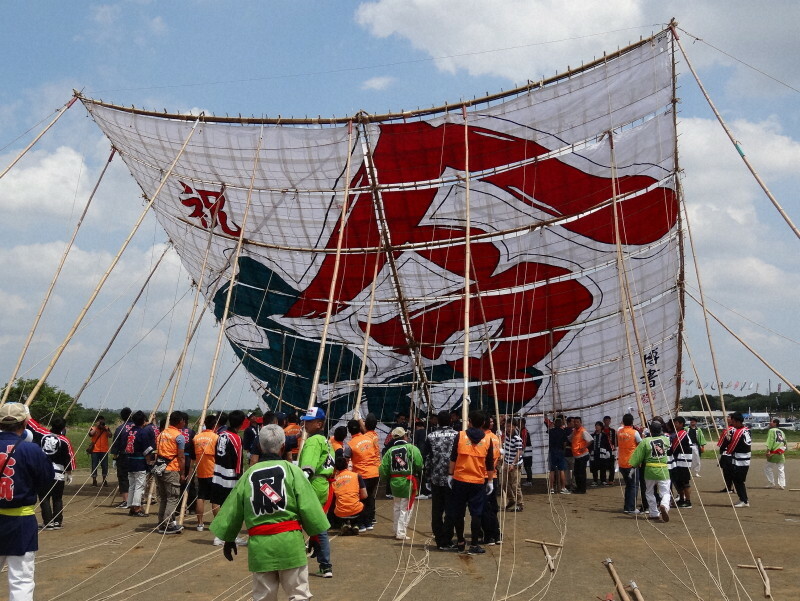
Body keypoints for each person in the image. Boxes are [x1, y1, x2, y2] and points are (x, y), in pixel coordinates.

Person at [210, 424, 330, 601]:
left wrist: (229, 538)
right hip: (291, 544)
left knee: (263, 597)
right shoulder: (293, 472)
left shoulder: (248, 475)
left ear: (258, 446)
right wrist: (316, 536)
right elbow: (309, 508)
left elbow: (233, 510)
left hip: (260, 547)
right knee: (299, 594)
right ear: (283, 447)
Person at [0, 402, 54, 601]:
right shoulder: (31, 450)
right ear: (25, 423)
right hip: (21, 522)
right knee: (21, 580)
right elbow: (46, 481)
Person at [442, 410, 495, 555]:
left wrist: (450, 475)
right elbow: (490, 464)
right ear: (483, 423)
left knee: (459, 512)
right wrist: (490, 481)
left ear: (470, 421)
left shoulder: (460, 436)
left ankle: (460, 542)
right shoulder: (487, 440)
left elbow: (453, 457)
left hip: (460, 479)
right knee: (476, 514)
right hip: (478, 481)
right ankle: (474, 545)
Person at [297, 407, 334, 578]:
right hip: (324, 485)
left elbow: (307, 468)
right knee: (320, 525)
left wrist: (299, 483)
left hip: (312, 484)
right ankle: (325, 565)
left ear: (319, 424)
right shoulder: (327, 441)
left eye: (309, 421)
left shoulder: (313, 441)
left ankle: (295, 561)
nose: (305, 423)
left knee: (296, 522)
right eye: (305, 420)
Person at [423, 409, 458, 550]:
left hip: (436, 478)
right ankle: (448, 538)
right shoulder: (457, 435)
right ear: (451, 420)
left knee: (436, 511)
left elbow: (427, 458)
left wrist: (427, 477)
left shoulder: (431, 436)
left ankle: (440, 540)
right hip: (452, 478)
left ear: (438, 421)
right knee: (451, 511)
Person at [380, 427, 423, 540]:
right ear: (405, 436)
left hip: (394, 481)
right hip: (407, 481)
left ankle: (396, 530)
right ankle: (401, 532)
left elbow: (383, 469)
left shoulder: (389, 451)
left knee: (397, 507)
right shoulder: (411, 448)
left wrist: (385, 479)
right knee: (406, 507)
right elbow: (419, 463)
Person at [211, 410, 246, 544]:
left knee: (217, 501)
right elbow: (238, 460)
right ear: (242, 423)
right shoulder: (236, 438)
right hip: (229, 475)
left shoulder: (221, 435)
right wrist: (240, 476)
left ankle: (218, 535)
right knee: (232, 506)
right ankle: (229, 535)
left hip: (217, 471)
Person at [629, 420, 671, 523]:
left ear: (650, 431)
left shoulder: (645, 441)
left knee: (649, 492)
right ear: (661, 429)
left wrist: (633, 465)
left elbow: (637, 456)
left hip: (649, 469)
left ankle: (653, 513)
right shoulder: (665, 440)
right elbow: (668, 447)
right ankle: (664, 505)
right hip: (662, 469)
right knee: (665, 492)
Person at [343, 419, 380, 532]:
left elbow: (346, 460)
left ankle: (361, 524)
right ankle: (369, 522)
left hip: (362, 475)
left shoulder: (350, 444)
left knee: (360, 499)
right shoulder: (369, 439)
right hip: (374, 473)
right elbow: (375, 453)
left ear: (349, 431)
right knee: (369, 498)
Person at [154, 412, 187, 534]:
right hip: (172, 469)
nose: (184, 423)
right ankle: (168, 524)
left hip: (159, 468)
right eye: (183, 421)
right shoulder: (179, 436)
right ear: (180, 421)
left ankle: (161, 523)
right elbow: (181, 456)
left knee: (164, 498)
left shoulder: (162, 434)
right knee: (173, 497)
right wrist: (182, 473)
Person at [38, 418, 74, 530]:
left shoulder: (42, 436)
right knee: (57, 498)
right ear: (63, 428)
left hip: (44, 471)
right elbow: (68, 458)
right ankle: (57, 522)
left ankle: (48, 522)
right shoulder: (64, 440)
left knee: (45, 497)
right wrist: (69, 473)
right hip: (59, 472)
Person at [193, 414, 221, 531]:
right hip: (213, 471)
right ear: (214, 425)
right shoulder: (216, 437)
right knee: (215, 499)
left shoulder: (196, 438)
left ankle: (200, 523)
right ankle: (217, 523)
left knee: (201, 497)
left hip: (201, 471)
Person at [125, 411, 153, 518]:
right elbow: (147, 450)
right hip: (139, 461)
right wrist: (149, 461)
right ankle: (137, 508)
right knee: (139, 486)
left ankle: (132, 507)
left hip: (130, 460)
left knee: (132, 485)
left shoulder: (130, 431)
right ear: (143, 421)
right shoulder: (142, 432)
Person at [332, 455, 367, 535]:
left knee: (339, 503)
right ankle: (356, 524)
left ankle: (343, 524)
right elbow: (365, 495)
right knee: (361, 504)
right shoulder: (356, 476)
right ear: (347, 465)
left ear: (336, 468)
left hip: (340, 512)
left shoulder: (334, 479)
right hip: (356, 510)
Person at [616, 414, 641, 514]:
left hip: (622, 463)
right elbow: (641, 444)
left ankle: (627, 506)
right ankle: (630, 508)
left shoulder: (619, 432)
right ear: (632, 422)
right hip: (631, 463)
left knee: (629, 485)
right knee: (633, 486)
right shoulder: (634, 432)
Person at [726, 412, 751, 508]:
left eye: (733, 422)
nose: (732, 423)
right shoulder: (746, 430)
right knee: (737, 479)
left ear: (737, 421)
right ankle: (742, 498)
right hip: (741, 458)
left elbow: (733, 445)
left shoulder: (739, 431)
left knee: (739, 480)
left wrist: (728, 446)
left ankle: (744, 500)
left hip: (742, 458)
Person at [110, 407, 132, 509]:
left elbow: (115, 445)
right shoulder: (137, 427)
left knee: (123, 478)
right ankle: (136, 499)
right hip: (136, 457)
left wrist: (114, 458)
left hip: (123, 456)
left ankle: (126, 500)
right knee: (135, 478)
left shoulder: (120, 428)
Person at [669, 416, 693, 508]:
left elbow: (674, 447)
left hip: (683, 461)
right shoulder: (677, 433)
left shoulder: (682, 433)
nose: (674, 424)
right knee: (678, 481)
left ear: (681, 424)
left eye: (676, 423)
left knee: (685, 482)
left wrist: (669, 452)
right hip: (678, 461)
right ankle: (682, 499)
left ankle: (688, 501)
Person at [500, 417, 523, 511]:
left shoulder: (517, 438)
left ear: (515, 427)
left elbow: (519, 452)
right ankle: (512, 500)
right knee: (504, 483)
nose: (509, 428)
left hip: (515, 464)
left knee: (515, 485)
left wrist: (513, 464)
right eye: (507, 426)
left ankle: (520, 504)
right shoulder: (506, 436)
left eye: (510, 426)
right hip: (507, 462)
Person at [568, 417, 592, 494]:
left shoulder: (583, 431)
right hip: (577, 455)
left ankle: (582, 489)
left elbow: (590, 440)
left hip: (583, 455)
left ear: (580, 422)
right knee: (577, 473)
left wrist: (584, 447)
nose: (575, 423)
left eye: (577, 422)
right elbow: (570, 439)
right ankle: (579, 488)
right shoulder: (574, 431)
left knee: (581, 473)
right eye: (574, 422)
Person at [546, 417, 569, 494]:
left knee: (552, 471)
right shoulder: (563, 432)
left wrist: (551, 425)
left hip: (552, 451)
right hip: (560, 451)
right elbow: (565, 443)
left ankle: (551, 488)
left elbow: (547, 430)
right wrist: (564, 450)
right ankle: (563, 487)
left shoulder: (551, 431)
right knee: (561, 470)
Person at [764, 418, 787, 489]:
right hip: (780, 452)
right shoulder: (781, 431)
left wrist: (768, 450)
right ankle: (782, 484)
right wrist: (783, 449)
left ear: (775, 423)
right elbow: (785, 442)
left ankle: (771, 482)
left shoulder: (771, 430)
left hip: (774, 452)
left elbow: (770, 441)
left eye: (771, 421)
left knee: (767, 467)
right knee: (781, 469)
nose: (770, 423)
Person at [88, 416, 110, 487]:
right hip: (95, 450)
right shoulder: (93, 428)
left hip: (104, 450)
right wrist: (97, 427)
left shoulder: (106, 428)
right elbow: (90, 434)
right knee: (94, 465)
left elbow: (110, 435)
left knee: (105, 466)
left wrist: (106, 429)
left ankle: (104, 480)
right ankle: (94, 480)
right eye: (100, 422)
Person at [590, 421, 613, 486]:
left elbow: (608, 444)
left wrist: (609, 452)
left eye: (598, 425)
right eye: (596, 425)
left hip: (602, 453)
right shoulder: (592, 435)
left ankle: (603, 480)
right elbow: (590, 444)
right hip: (594, 453)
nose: (597, 427)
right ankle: (595, 480)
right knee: (594, 467)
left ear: (601, 427)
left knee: (603, 467)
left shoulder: (604, 435)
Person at [717, 415, 736, 494]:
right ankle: (729, 487)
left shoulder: (730, 430)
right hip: (729, 453)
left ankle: (730, 487)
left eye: (729, 417)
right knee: (728, 471)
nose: (727, 419)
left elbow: (723, 444)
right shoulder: (730, 429)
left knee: (728, 471)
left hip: (728, 453)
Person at [520, 419, 534, 486]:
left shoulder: (524, 430)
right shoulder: (523, 430)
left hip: (527, 450)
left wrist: (523, 449)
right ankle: (529, 480)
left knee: (528, 466)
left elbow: (524, 440)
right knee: (527, 466)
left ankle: (529, 481)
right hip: (527, 450)